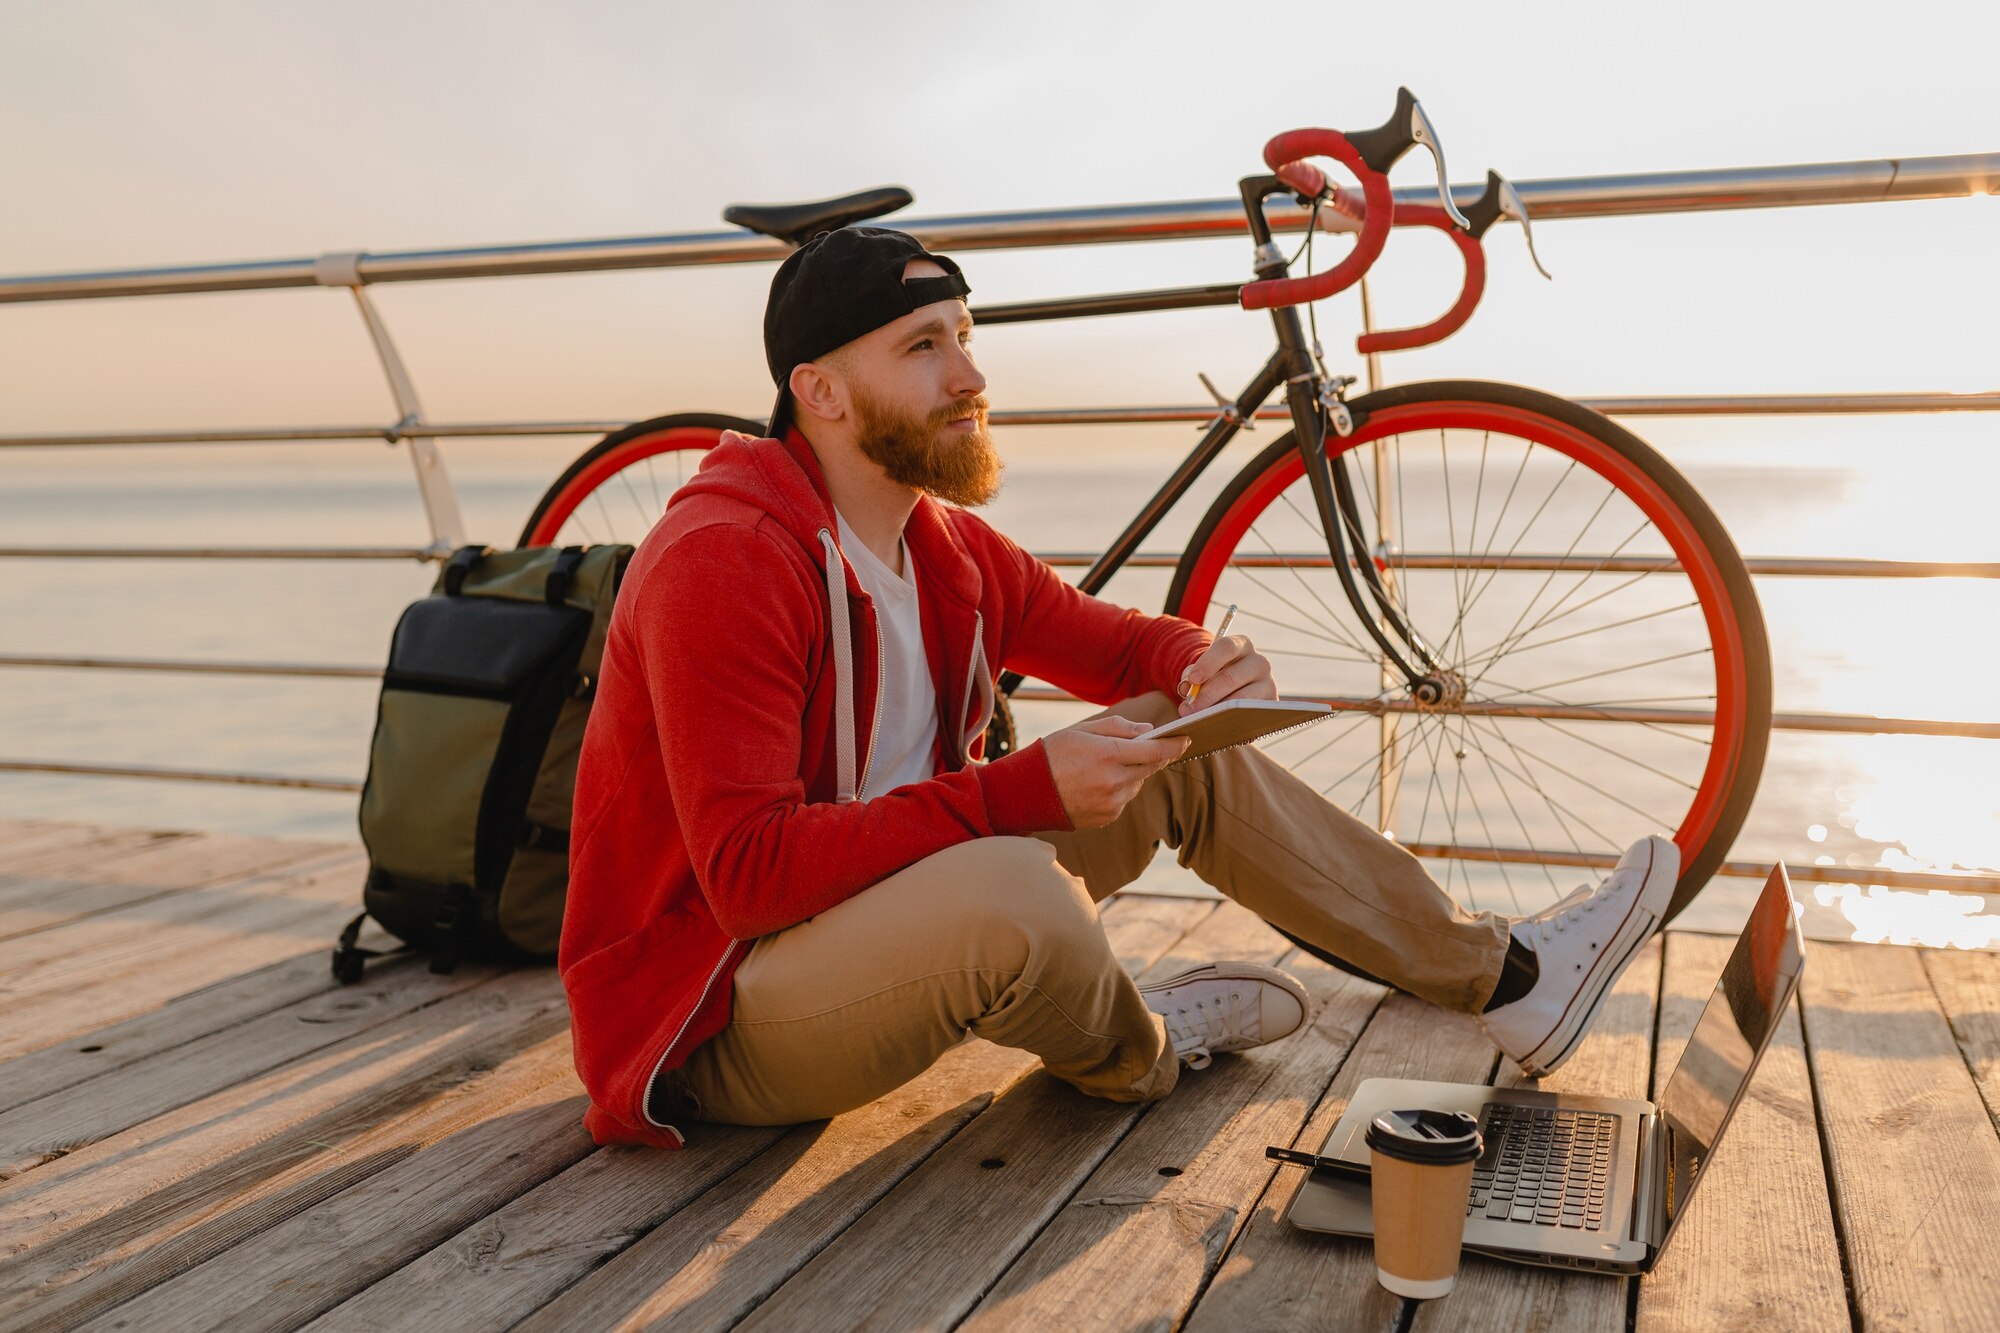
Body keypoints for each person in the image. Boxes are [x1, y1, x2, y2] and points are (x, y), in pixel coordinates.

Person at [558, 226, 1677, 1150]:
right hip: (716, 1014)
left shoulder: (938, 543)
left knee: (1171, 741)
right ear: (821, 392)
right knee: (1017, 894)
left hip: (878, 928)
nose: (969, 375)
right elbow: (750, 879)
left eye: (964, 336)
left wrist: (1197, 663)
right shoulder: (729, 557)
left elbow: (1110, 642)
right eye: (920, 347)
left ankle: (1506, 978)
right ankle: (1142, 1049)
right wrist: (1018, 791)